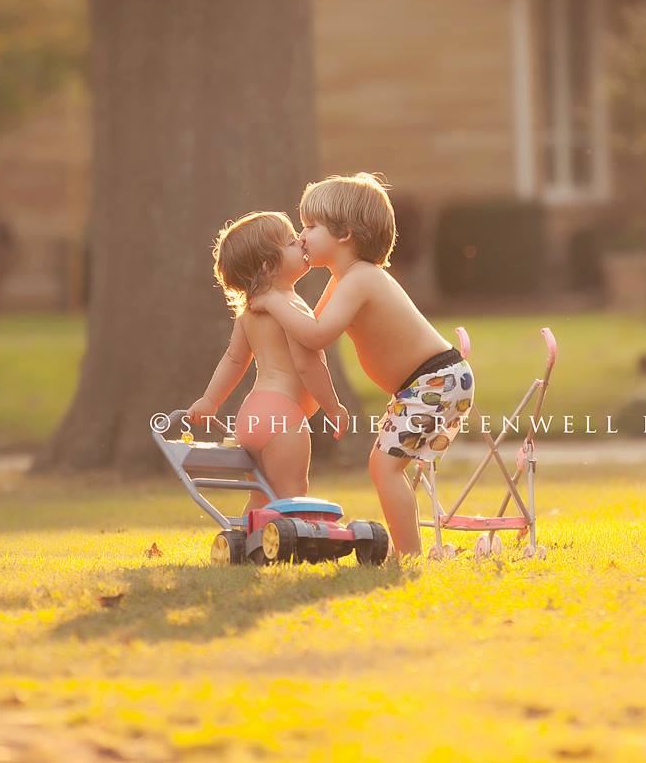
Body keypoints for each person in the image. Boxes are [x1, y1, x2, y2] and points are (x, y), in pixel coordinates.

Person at [251, 173, 474, 559]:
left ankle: (408, 555)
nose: (301, 236)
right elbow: (306, 336)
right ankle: (412, 549)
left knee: (384, 468)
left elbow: (317, 335)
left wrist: (272, 302)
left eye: (310, 226)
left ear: (345, 234)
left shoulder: (361, 280)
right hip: (426, 384)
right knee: (386, 467)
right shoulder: (344, 281)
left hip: (435, 381)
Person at [186, 211, 350, 514]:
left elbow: (234, 360)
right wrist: (332, 407)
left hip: (251, 416)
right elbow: (308, 365)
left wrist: (210, 401)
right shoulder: (287, 307)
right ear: (268, 266)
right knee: (292, 492)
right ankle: (291, 546)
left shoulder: (251, 312)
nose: (300, 240)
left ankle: (249, 544)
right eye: (290, 242)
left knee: (262, 495)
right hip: (282, 419)